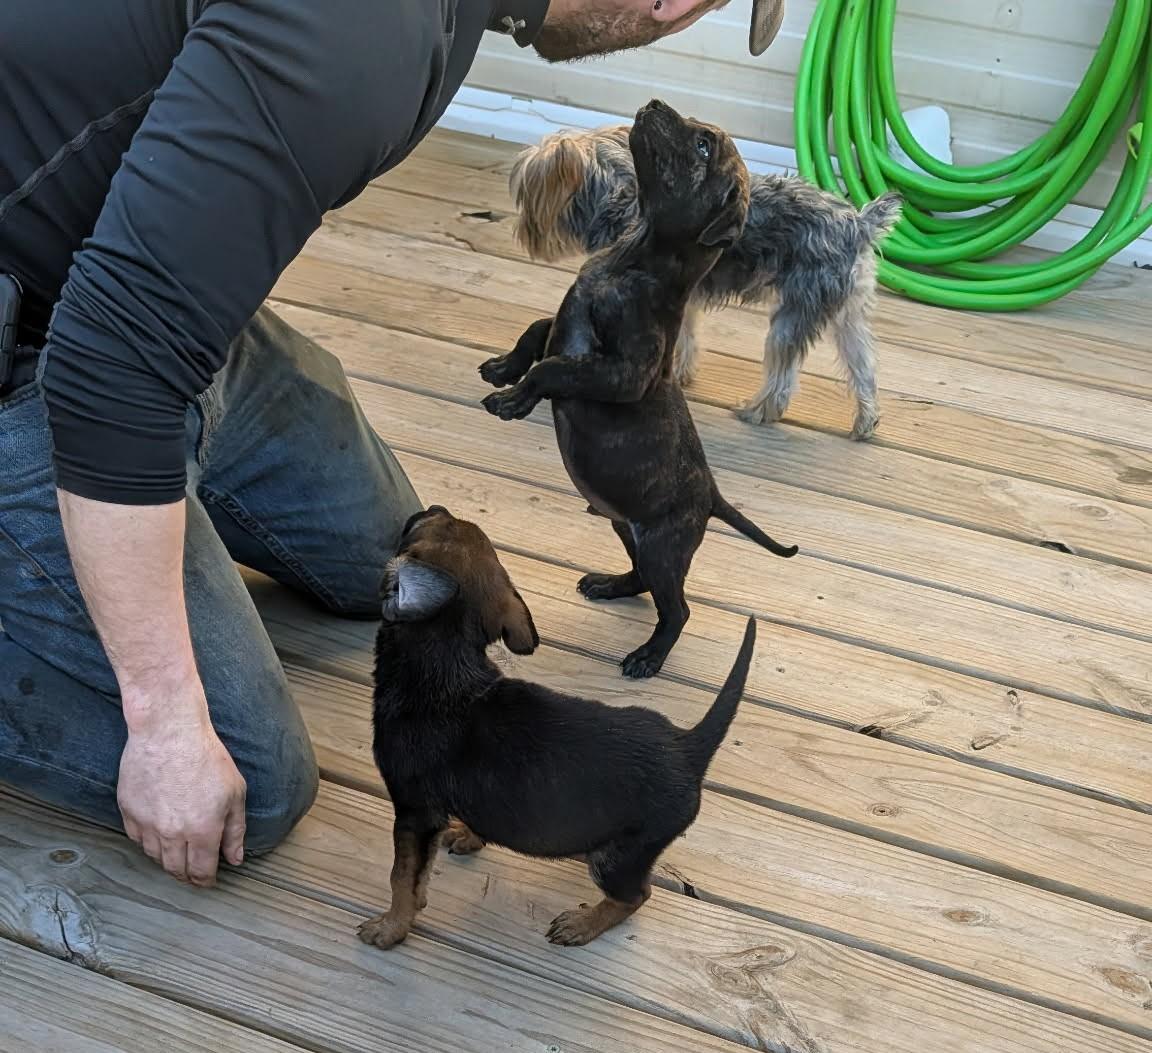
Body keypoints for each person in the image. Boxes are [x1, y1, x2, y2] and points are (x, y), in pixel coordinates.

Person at [0, 0, 784, 889]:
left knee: (400, 563)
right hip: (69, 348)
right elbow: (112, 366)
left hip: (115, 296)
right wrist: (164, 721)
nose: (669, 16)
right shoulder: (364, 25)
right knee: (244, 787)